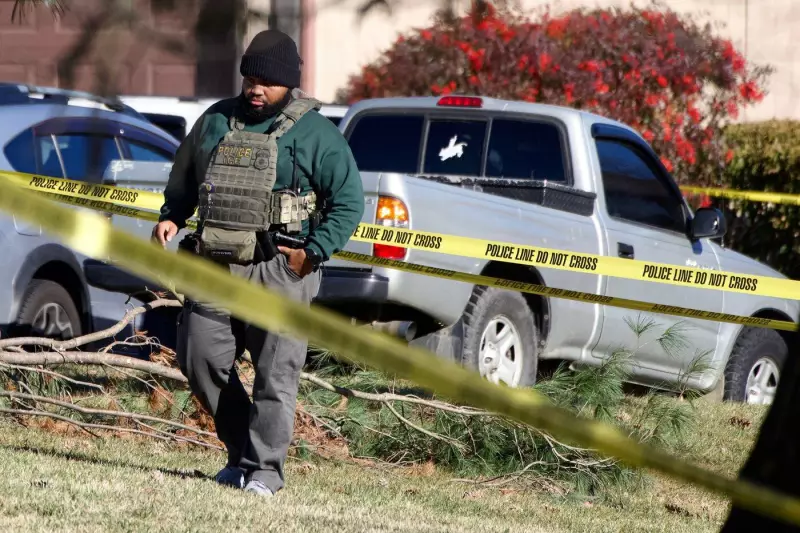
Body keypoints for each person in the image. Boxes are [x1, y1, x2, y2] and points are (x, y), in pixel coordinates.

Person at [151, 29, 365, 498]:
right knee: (199, 356)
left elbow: (349, 202)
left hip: (280, 268)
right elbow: (185, 175)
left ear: (288, 82)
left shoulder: (317, 134)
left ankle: (264, 471)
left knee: (275, 375)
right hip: (216, 262)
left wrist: (313, 252)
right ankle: (242, 451)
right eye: (250, 78)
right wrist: (172, 215)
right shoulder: (215, 119)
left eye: (267, 81)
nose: (256, 88)